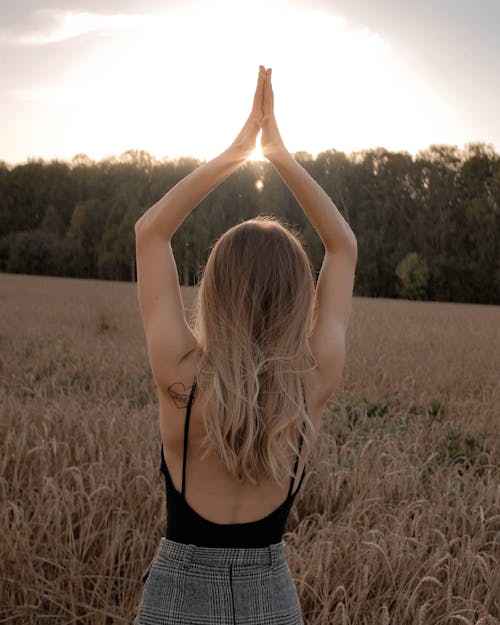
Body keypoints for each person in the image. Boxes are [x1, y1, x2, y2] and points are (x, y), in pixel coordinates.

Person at [133, 66, 357, 625]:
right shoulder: (312, 383)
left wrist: (240, 151)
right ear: (298, 298)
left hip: (174, 598)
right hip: (270, 600)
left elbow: (150, 233)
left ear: (214, 291)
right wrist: (278, 155)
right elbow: (344, 246)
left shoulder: (180, 377)